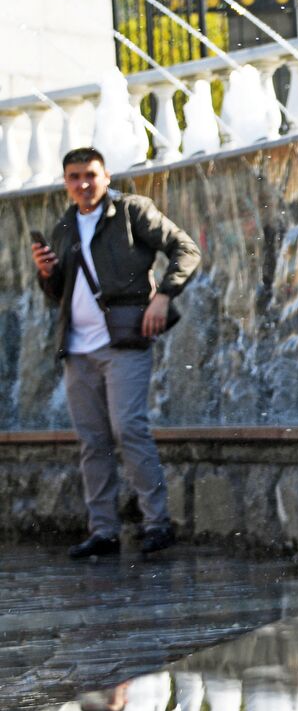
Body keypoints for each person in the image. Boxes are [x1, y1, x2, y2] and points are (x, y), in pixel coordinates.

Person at [30, 147, 202, 558]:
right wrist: (47, 274)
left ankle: (157, 523)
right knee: (93, 440)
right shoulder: (65, 226)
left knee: (129, 428)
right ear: (66, 182)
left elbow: (186, 248)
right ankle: (103, 530)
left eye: (90, 175)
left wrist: (164, 295)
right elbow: (59, 295)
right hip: (77, 348)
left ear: (106, 176)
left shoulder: (131, 211)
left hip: (123, 340)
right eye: (74, 177)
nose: (83, 184)